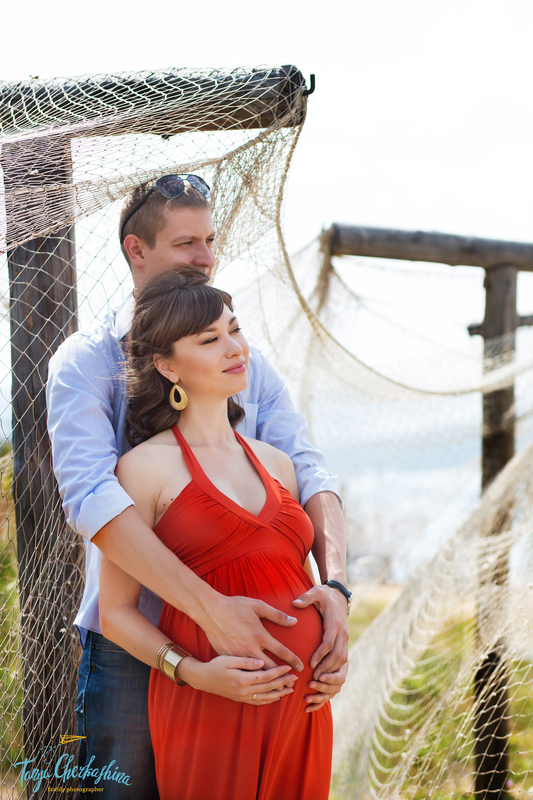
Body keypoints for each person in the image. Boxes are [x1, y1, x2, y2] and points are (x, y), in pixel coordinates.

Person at [46, 175, 350, 797]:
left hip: (268, 663)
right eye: (187, 243)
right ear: (136, 250)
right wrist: (209, 612)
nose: (205, 257)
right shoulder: (85, 360)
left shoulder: (246, 363)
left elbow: (308, 471)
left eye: (210, 241)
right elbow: (93, 498)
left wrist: (338, 590)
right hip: (136, 646)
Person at [99, 269, 334, 799]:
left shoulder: (278, 464)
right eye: (209, 340)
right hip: (210, 704)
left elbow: (298, 585)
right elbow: (115, 614)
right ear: (166, 365)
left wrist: (329, 649)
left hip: (304, 707)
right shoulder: (143, 469)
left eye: (235, 329)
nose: (235, 348)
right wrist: (194, 674)